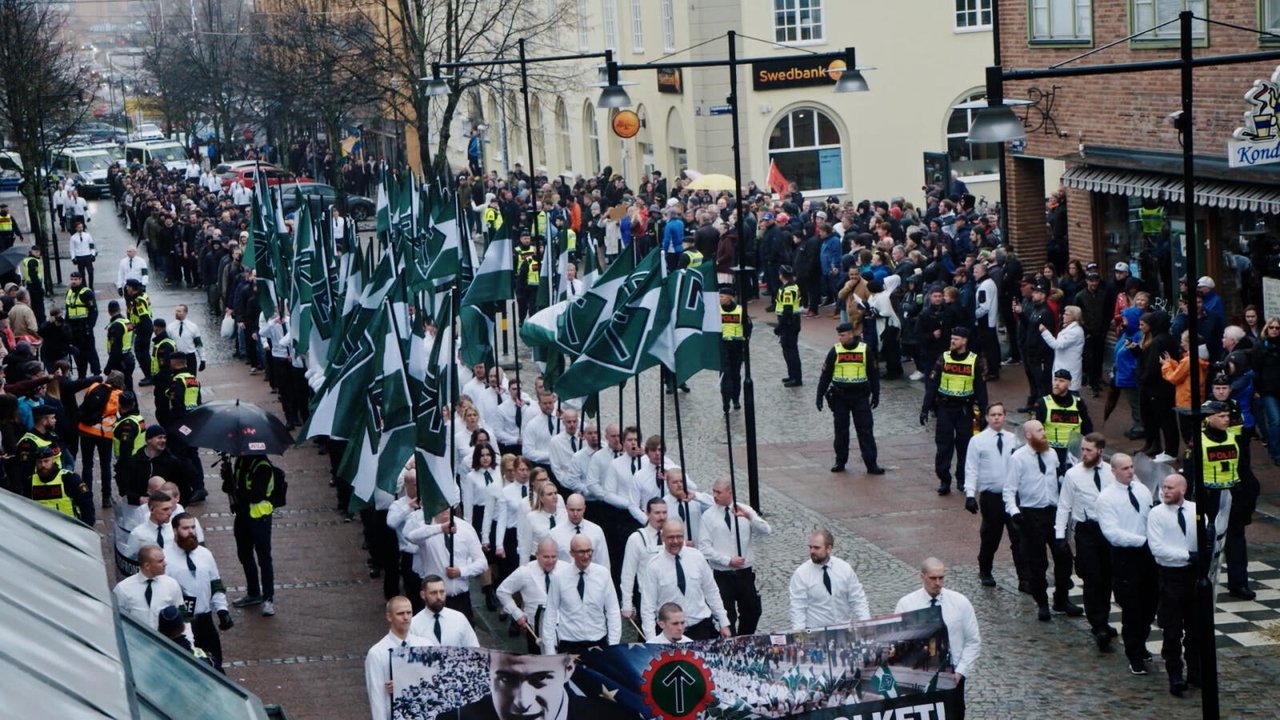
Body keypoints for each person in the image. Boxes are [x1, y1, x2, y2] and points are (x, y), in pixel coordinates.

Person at [1003, 420, 1080, 621]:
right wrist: (1014, 512)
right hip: (1031, 515)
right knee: (1037, 563)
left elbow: (1055, 478)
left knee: (1063, 557)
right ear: (1029, 435)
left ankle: (1061, 599)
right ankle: (1042, 603)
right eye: (1039, 431)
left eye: (1043, 429)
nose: (1043, 433)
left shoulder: (1051, 453)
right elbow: (1009, 489)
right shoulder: (1018, 458)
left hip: (1053, 513)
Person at [893, 558, 980, 720]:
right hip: (919, 677)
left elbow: (973, 640)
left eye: (941, 578)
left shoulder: (960, 603)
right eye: (933, 578)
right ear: (922, 577)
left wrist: (960, 672)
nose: (938, 583)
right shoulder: (907, 604)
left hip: (952, 676)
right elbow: (899, 643)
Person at [1095, 453, 1158, 675]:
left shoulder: (1141, 490)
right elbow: (1112, 533)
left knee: (1150, 604)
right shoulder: (1106, 498)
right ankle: (1134, 653)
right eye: (1125, 468)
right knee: (1132, 607)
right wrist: (1142, 541)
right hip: (1125, 556)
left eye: (1131, 467)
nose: (1130, 471)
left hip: (1147, 556)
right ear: (1113, 471)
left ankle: (1140, 644)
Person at [1054, 433, 1116, 651]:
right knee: (1092, 577)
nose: (1084, 454)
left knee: (1107, 578)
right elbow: (1064, 505)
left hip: (1108, 529)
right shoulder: (1073, 475)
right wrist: (1060, 536)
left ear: (1100, 450)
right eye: (1082, 449)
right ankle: (1097, 624)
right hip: (1086, 530)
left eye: (1089, 450)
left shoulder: (1111, 471)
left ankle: (1104, 619)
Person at [443, 651, 623, 720]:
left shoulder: (607, 716)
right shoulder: (460, 717)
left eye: (540, 680)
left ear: (568, 670)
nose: (523, 701)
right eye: (507, 680)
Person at [1147, 474, 1200, 697]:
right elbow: (1158, 548)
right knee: (1171, 630)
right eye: (1163, 487)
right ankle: (1175, 674)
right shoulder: (1157, 514)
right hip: (1169, 577)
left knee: (1195, 628)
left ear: (1182, 490)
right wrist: (1187, 555)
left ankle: (1195, 672)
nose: (1165, 491)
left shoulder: (1195, 511)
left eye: (1170, 488)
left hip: (1192, 577)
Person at [698, 478, 771, 636]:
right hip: (722, 575)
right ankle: (730, 642)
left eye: (719, 492)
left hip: (745, 574)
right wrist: (728, 560)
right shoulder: (709, 516)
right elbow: (704, 548)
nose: (715, 496)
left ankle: (745, 638)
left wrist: (750, 517)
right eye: (714, 491)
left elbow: (766, 530)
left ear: (730, 493)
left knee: (752, 610)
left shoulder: (744, 510)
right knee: (726, 615)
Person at [964, 402, 1025, 588]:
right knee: (991, 536)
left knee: (1019, 537)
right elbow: (971, 468)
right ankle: (985, 570)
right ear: (987, 417)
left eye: (999, 414)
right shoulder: (978, 441)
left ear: (1004, 416)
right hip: (991, 497)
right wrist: (970, 494)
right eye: (993, 415)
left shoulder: (1014, 439)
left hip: (1012, 497)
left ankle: (1024, 578)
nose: (996, 418)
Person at [920, 326, 988, 495]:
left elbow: (981, 389)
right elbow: (932, 386)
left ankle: (962, 480)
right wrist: (925, 408)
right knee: (943, 446)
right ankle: (944, 480)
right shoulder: (943, 358)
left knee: (965, 447)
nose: (952, 341)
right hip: (945, 408)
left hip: (965, 410)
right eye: (952, 338)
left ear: (964, 341)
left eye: (956, 339)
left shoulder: (974, 361)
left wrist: (983, 413)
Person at [639, 519, 731, 640]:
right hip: (669, 634)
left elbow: (711, 591)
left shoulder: (697, 557)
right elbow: (648, 607)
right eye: (671, 537)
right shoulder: (653, 566)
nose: (676, 541)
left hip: (701, 629)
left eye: (679, 537)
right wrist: (652, 641)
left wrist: (723, 623)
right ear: (663, 537)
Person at [165, 512, 233, 669]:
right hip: (182, 623)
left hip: (205, 620)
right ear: (175, 530)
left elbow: (215, 583)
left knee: (216, 665)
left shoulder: (204, 554)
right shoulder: (166, 558)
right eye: (185, 528)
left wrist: (222, 610)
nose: (190, 532)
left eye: (193, 527)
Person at [816, 321, 885, 474]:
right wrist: (819, 395)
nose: (840, 338)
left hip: (860, 396)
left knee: (865, 431)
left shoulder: (864, 350)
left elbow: (873, 374)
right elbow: (825, 375)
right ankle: (840, 461)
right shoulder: (835, 351)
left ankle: (871, 463)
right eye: (839, 335)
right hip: (840, 397)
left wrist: (876, 394)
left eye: (843, 335)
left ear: (851, 334)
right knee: (841, 431)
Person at [541, 534, 621, 654]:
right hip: (569, 644)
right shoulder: (559, 577)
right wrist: (550, 651)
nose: (586, 555)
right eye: (581, 552)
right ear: (572, 553)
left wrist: (614, 645)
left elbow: (613, 610)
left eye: (589, 551)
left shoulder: (603, 574)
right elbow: (551, 613)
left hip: (598, 642)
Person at [223, 453, 279, 617]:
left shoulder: (262, 465)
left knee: (264, 558)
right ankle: (253, 592)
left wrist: (237, 491)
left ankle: (268, 598)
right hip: (242, 516)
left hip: (259, 517)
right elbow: (229, 488)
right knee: (244, 555)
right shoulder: (241, 461)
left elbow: (257, 493)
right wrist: (227, 477)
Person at [496, 538, 568, 654]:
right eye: (546, 557)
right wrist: (516, 613)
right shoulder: (525, 572)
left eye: (554, 557)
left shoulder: (566, 569)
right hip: (535, 630)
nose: (550, 561)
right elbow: (502, 591)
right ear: (537, 555)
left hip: (563, 629)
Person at [788, 529, 870, 631]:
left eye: (817, 548)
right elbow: (797, 607)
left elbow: (858, 599)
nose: (812, 551)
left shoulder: (844, 568)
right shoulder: (801, 574)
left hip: (844, 629)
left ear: (829, 548)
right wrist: (800, 635)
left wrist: (866, 624)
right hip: (816, 631)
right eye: (810, 547)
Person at [365, 596, 428, 720]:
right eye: (400, 614)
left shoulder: (426, 645)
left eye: (409, 613)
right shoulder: (377, 653)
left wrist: (405, 683)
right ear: (389, 617)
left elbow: (435, 682)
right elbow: (376, 697)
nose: (405, 617)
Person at [112, 544, 186, 631]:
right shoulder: (123, 589)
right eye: (160, 561)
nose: (165, 564)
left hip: (165, 642)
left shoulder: (172, 584)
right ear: (147, 566)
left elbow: (183, 615)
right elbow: (115, 619)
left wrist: (190, 641)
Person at [1035, 369, 1093, 472]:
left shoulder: (1079, 403)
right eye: (1055, 380)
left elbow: (1087, 428)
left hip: (1072, 453)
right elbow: (1036, 430)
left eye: (1061, 381)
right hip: (1050, 451)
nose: (1056, 384)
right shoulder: (1043, 403)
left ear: (1069, 384)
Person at [410, 575, 480, 647]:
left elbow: (474, 647)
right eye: (433, 593)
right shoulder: (414, 624)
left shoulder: (459, 618)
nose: (439, 597)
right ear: (423, 595)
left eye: (442, 592)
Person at [23, 444, 88, 521]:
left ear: (53, 460)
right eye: (39, 462)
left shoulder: (68, 478)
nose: (43, 465)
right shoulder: (30, 482)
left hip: (68, 527)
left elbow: (86, 502)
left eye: (46, 461)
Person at [547, 492, 610, 570]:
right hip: (565, 579)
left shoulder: (596, 531)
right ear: (566, 508)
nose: (575, 513)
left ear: (584, 508)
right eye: (572, 510)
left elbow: (603, 562)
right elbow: (552, 563)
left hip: (591, 578)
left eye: (579, 510)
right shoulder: (555, 533)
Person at [718, 285, 750, 412]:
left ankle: (735, 399)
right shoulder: (716, 310)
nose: (719, 299)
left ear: (730, 298)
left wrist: (745, 343)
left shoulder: (740, 310)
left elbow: (747, 328)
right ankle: (725, 402)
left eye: (722, 296)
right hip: (723, 346)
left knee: (736, 375)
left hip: (736, 347)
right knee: (725, 376)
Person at [65, 270, 100, 377]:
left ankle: (96, 373)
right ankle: (81, 375)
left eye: (75, 279)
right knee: (78, 354)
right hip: (73, 329)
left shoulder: (87, 293)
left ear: (80, 280)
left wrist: (89, 327)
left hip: (84, 328)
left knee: (90, 352)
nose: (73, 282)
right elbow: (67, 311)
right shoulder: (69, 292)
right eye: (72, 279)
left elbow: (93, 311)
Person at [126, 489, 177, 559]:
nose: (170, 513)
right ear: (152, 509)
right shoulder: (138, 534)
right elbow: (130, 559)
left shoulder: (174, 530)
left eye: (170, 508)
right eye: (165, 509)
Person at [775, 265, 803, 386]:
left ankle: (796, 378)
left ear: (781, 275)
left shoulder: (788, 290)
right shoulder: (790, 286)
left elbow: (787, 310)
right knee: (788, 350)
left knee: (791, 351)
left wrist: (779, 327)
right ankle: (792, 375)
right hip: (791, 322)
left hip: (789, 323)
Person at [125, 279, 154, 385]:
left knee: (142, 353)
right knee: (141, 352)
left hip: (143, 329)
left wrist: (138, 328)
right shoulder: (137, 298)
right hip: (141, 328)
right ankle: (149, 375)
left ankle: (150, 376)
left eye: (128, 287)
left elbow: (144, 317)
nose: (127, 289)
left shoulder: (138, 300)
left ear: (133, 288)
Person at [104, 300, 135, 390]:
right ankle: (133, 403)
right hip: (129, 358)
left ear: (109, 311)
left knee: (120, 388)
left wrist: (108, 367)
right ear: (119, 309)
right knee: (128, 384)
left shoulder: (115, 326)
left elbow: (115, 349)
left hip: (120, 361)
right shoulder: (127, 322)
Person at [169, 304, 206, 375]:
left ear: (185, 313)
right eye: (176, 311)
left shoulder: (193, 327)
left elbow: (198, 344)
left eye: (179, 311)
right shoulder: (170, 327)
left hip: (190, 357)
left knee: (191, 380)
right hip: (176, 357)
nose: (177, 313)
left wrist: (203, 359)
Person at [68, 219, 97, 288]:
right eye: (79, 227)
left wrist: (93, 254)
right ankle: (84, 286)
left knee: (90, 271)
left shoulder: (87, 235)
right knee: (81, 273)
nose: (80, 229)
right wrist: (73, 258)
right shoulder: (73, 238)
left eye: (81, 227)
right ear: (76, 228)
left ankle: (91, 286)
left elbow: (92, 245)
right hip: (79, 256)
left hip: (87, 255)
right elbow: (72, 249)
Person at [19, 245, 44, 324]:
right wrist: (40, 288)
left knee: (33, 304)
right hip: (35, 286)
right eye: (36, 251)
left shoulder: (26, 259)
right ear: (32, 251)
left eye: (38, 251)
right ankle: (40, 321)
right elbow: (33, 274)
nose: (37, 253)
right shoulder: (33, 261)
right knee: (38, 306)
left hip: (30, 285)